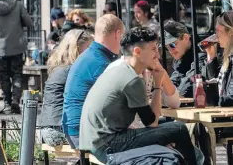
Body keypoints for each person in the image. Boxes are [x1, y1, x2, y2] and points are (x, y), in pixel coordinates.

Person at [80, 27, 197, 164]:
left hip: (97, 142)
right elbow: (152, 122)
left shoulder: (119, 69)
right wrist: (158, 84)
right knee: (179, 129)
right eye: (153, 49)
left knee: (170, 128)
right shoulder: (132, 80)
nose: (158, 55)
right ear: (137, 52)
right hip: (109, 145)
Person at [62, 14, 124, 147]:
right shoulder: (101, 63)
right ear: (117, 34)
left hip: (74, 130)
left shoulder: (90, 55)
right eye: (122, 37)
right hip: (84, 134)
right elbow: (118, 104)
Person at [38, 29, 93, 147]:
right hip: (59, 131)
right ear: (76, 48)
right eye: (88, 47)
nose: (91, 52)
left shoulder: (60, 68)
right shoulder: (72, 71)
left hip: (47, 129)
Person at [164, 20, 217, 99]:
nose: (170, 51)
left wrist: (170, 96)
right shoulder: (181, 58)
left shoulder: (202, 52)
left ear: (185, 38)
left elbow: (187, 86)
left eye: (172, 45)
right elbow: (175, 79)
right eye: (166, 47)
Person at [213, 12, 233, 106]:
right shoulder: (228, 57)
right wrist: (210, 57)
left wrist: (215, 100)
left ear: (230, 32)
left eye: (218, 31)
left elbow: (231, 96)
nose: (216, 35)